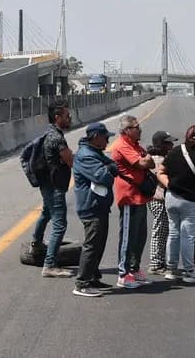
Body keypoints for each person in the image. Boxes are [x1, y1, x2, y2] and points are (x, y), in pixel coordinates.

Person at [158, 124, 195, 284]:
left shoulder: (174, 152)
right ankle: (190, 271)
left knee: (174, 233)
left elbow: (160, 171)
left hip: (172, 198)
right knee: (188, 236)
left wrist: (169, 186)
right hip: (193, 202)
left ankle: (171, 269)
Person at [72, 122, 119, 298]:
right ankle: (82, 283)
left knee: (99, 244)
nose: (108, 141)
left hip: (100, 206)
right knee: (92, 245)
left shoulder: (95, 152)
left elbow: (112, 166)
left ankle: (92, 277)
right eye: (106, 137)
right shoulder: (86, 156)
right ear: (96, 137)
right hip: (91, 207)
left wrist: (110, 168)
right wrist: (110, 169)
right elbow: (104, 177)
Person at [32, 101, 75, 278]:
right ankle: (49, 265)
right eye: (66, 116)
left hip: (48, 184)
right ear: (57, 118)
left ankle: (36, 243)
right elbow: (71, 161)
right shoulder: (57, 138)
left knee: (46, 213)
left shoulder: (50, 133)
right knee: (60, 224)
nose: (69, 118)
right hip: (55, 185)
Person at [112, 114, 155, 289]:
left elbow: (149, 162)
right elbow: (144, 163)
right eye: (137, 127)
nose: (140, 129)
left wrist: (147, 161)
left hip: (140, 196)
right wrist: (146, 161)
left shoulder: (135, 145)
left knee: (140, 235)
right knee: (128, 237)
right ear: (127, 130)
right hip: (129, 196)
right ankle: (123, 273)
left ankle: (135, 268)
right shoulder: (122, 145)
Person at [146, 130, 176, 275]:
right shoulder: (157, 159)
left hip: (159, 199)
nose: (171, 145)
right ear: (161, 144)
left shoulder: (160, 157)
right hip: (158, 199)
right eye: (168, 143)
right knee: (160, 231)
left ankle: (160, 262)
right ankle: (156, 264)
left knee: (164, 231)